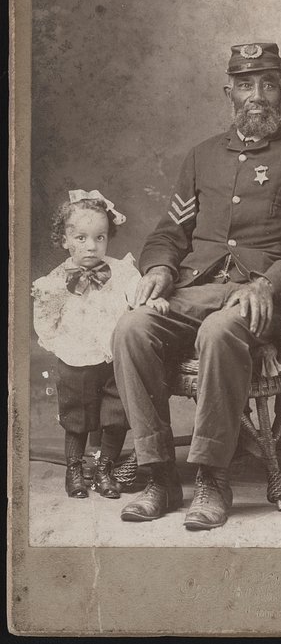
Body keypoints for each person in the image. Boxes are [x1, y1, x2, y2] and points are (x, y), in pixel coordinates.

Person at [113, 42, 281, 529]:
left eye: (267, 84)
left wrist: (265, 285)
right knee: (132, 327)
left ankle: (212, 479)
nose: (256, 95)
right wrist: (160, 269)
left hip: (261, 299)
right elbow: (171, 232)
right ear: (228, 92)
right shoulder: (201, 156)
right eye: (244, 84)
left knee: (220, 331)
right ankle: (159, 475)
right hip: (196, 288)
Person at [31, 190, 151, 500]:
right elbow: (45, 317)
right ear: (65, 240)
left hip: (113, 358)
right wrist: (61, 345)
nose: (91, 246)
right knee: (77, 415)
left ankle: (105, 467)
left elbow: (138, 297)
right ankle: (74, 469)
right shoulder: (55, 280)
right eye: (81, 238)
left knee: (116, 412)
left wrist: (152, 300)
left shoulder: (121, 272)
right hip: (76, 355)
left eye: (99, 238)